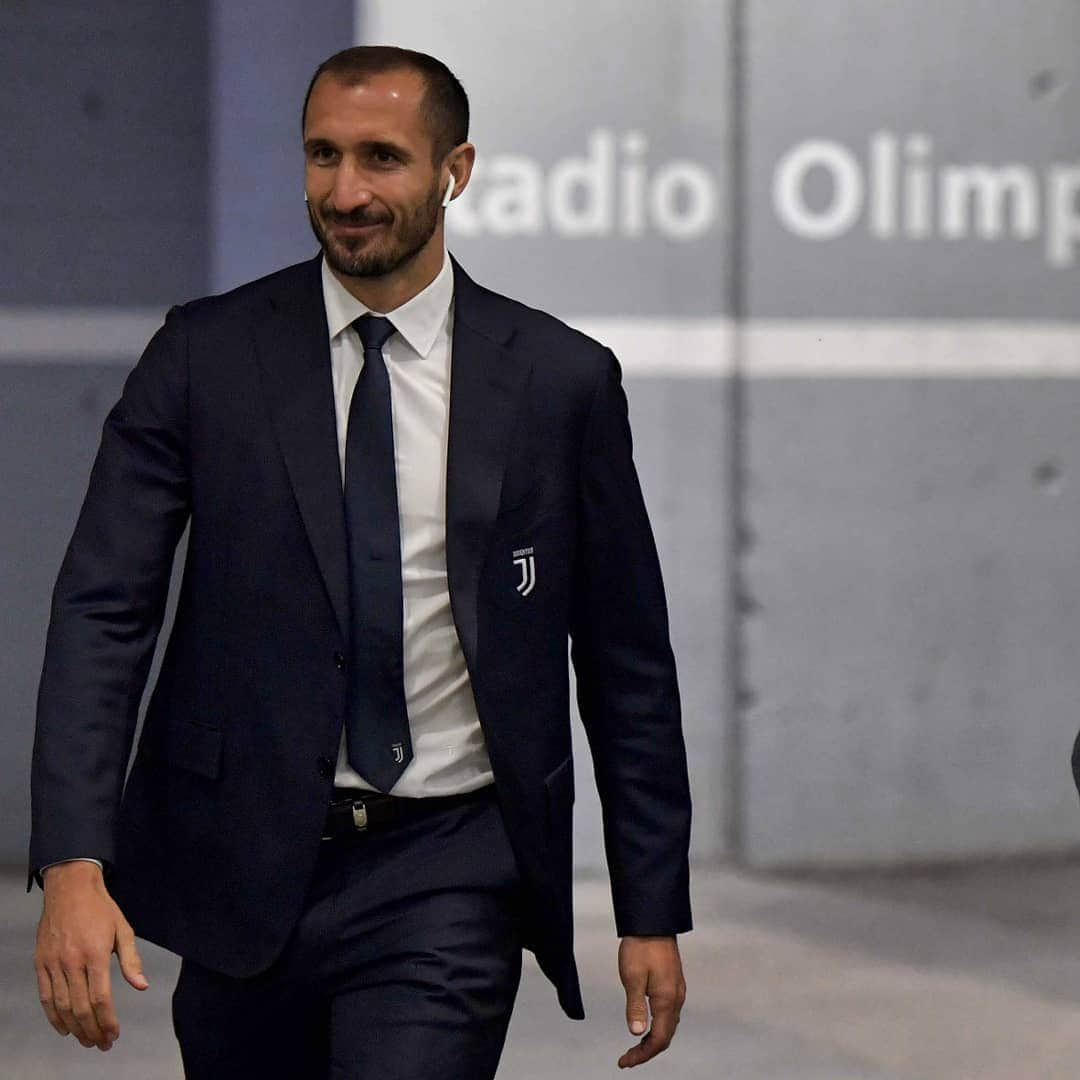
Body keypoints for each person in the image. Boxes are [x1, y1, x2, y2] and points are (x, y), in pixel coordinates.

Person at [28, 45, 692, 1078]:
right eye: (322, 156)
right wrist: (75, 861)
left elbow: (625, 660)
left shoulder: (561, 382)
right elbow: (104, 611)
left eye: (382, 158)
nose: (346, 191)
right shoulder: (205, 356)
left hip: (451, 867)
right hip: (242, 868)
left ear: (454, 170)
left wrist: (652, 908)